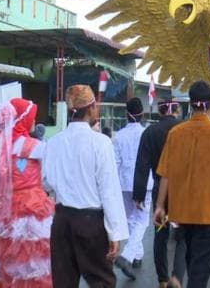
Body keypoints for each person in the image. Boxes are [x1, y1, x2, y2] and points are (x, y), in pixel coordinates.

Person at [154, 81, 210, 288]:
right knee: (199, 275)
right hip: (209, 215)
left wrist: (159, 206)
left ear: (191, 105)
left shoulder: (176, 133)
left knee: (192, 265)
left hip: (182, 214)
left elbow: (165, 173)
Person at [43, 85, 128, 288]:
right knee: (102, 281)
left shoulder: (54, 142)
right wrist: (115, 233)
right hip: (90, 223)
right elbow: (109, 191)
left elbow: (45, 182)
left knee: (63, 282)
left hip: (62, 221)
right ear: (91, 108)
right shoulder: (101, 143)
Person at [0, 98, 54, 287]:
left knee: (6, 259)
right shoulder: (34, 146)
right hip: (31, 208)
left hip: (3, 208)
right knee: (31, 261)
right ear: (24, 119)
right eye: (32, 116)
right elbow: (48, 179)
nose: (34, 120)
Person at [133, 97, 186, 288]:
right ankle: (177, 277)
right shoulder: (184, 128)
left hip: (159, 190)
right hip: (182, 190)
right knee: (182, 235)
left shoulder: (150, 132)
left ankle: (162, 279)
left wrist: (138, 195)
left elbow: (142, 165)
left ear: (160, 111)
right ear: (175, 110)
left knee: (160, 234)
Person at [113, 98, 148, 279]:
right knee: (142, 221)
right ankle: (127, 255)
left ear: (126, 114)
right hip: (144, 184)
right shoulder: (146, 134)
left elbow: (116, 163)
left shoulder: (118, 136)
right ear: (142, 114)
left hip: (124, 183)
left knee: (131, 219)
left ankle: (137, 255)